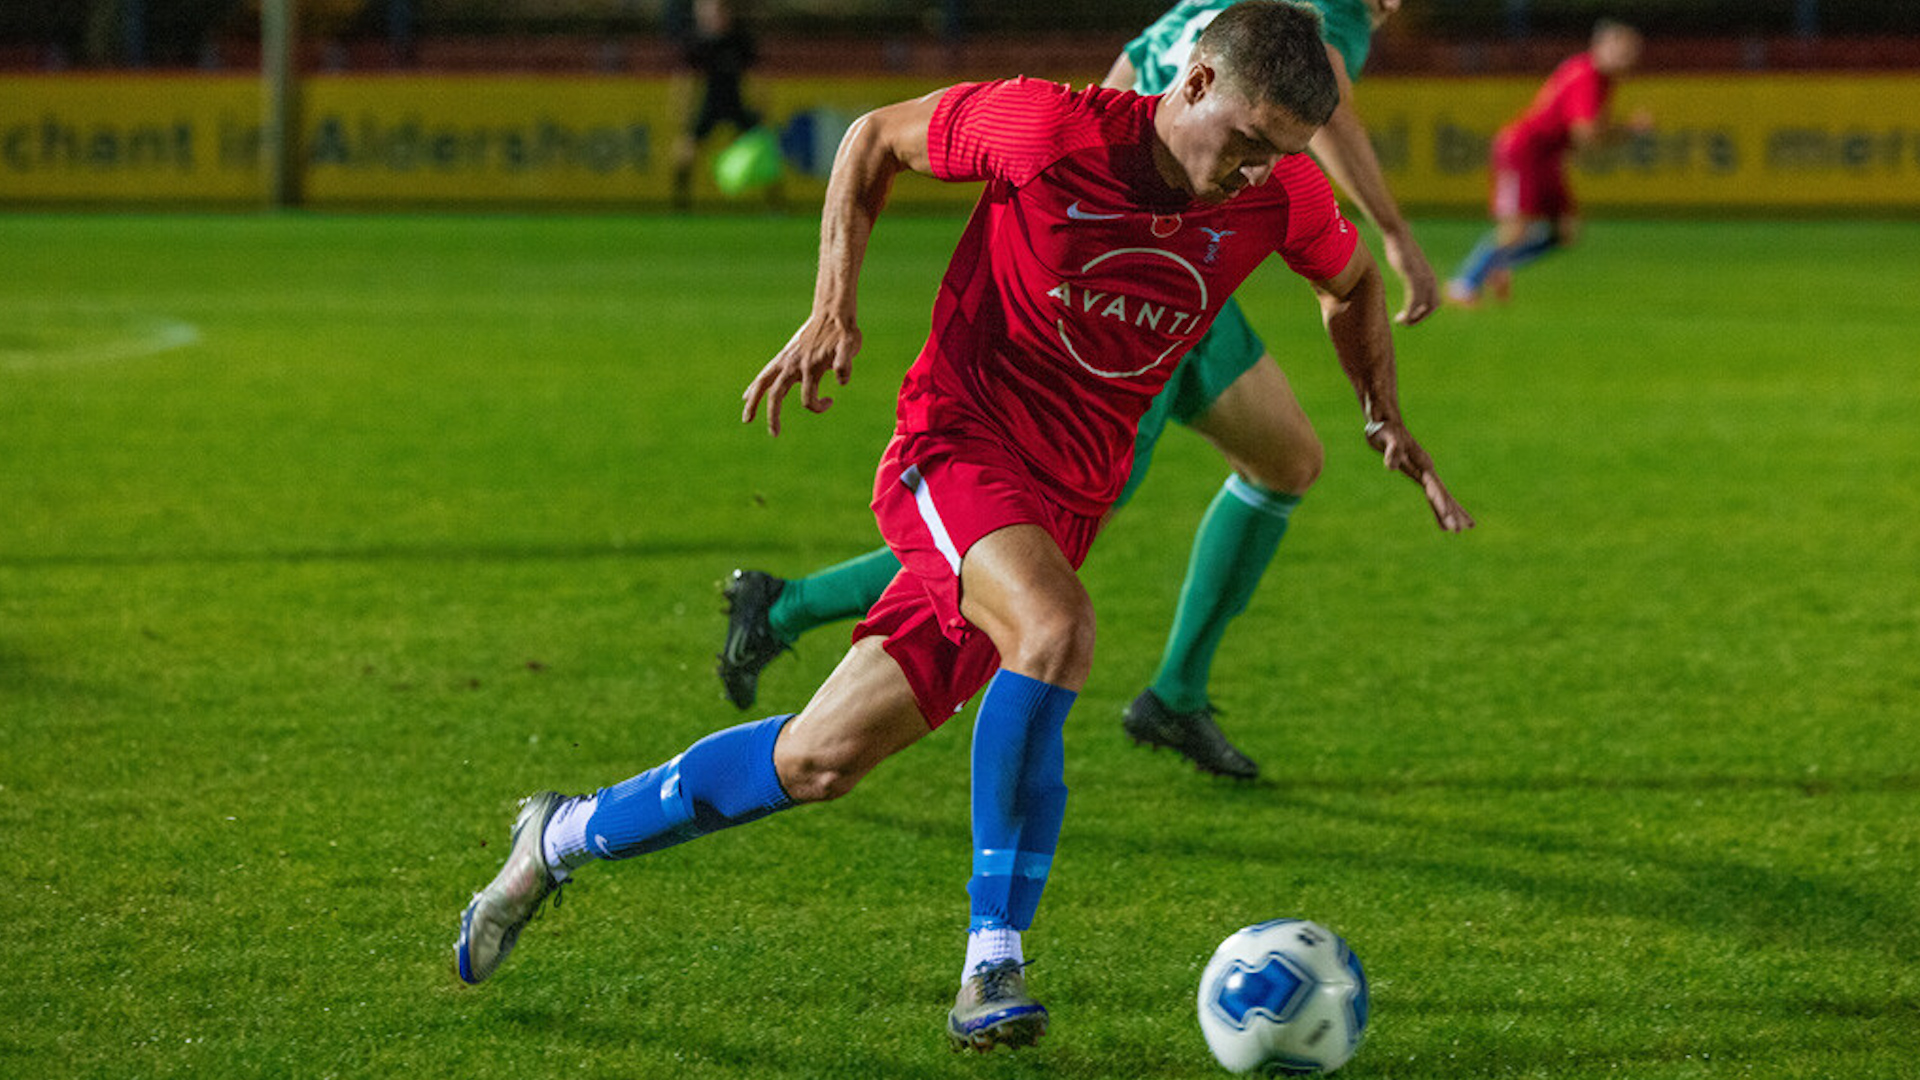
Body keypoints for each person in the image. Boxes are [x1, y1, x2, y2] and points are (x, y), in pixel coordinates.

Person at [455, 0, 1471, 1053]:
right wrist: (832, 300)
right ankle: (994, 962)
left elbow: (1348, 284)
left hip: (1064, 496)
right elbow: (874, 140)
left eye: (1279, 156)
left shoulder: (1280, 190)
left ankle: (561, 835)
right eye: (1249, 144)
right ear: (1197, 85)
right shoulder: (1050, 129)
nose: (1255, 173)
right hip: (956, 446)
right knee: (1057, 631)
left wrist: (1378, 413)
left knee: (819, 760)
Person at [717, 0, 1437, 782]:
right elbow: (1323, 126)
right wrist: (1397, 234)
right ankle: (786, 607)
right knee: (1040, 544)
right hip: (1131, 277)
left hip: (1181, 263)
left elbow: (1128, 81)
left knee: (1288, 461)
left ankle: (1175, 692)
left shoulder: (1226, 20)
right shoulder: (1319, 24)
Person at [1446, 19, 1647, 305]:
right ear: (1599, 46)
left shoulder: (1598, 77)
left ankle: (1498, 266)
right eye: (1621, 50)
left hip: (1546, 156)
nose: (1627, 58)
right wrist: (1628, 131)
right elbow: (1586, 135)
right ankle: (1464, 282)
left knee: (1564, 231)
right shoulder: (1588, 77)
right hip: (1523, 151)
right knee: (1517, 228)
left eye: (1631, 53)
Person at [669, 0, 765, 210]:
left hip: (736, 104)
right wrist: (682, 110)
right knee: (686, 151)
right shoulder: (697, 42)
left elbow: (755, 76)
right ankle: (681, 204)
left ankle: (775, 204)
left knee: (765, 152)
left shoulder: (739, 40)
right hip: (710, 105)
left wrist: (761, 105)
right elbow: (687, 81)